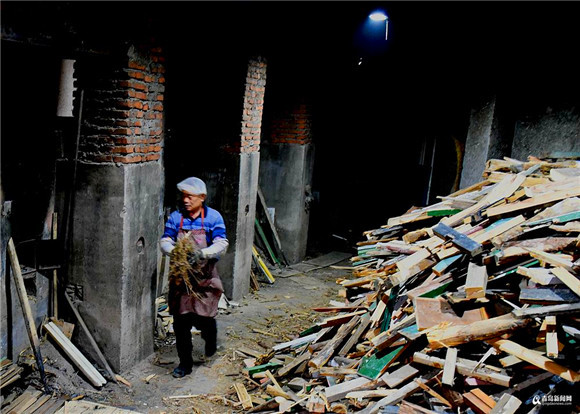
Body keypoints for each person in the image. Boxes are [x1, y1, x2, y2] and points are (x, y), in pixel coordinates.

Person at [159, 177, 229, 378]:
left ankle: (210, 337)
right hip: (182, 281)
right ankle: (185, 364)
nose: (186, 200)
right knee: (181, 323)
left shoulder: (213, 218)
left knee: (203, 319)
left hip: (203, 280)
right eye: (184, 196)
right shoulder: (175, 218)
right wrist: (175, 252)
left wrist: (202, 253)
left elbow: (221, 243)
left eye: (190, 196)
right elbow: (165, 241)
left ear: (202, 197)